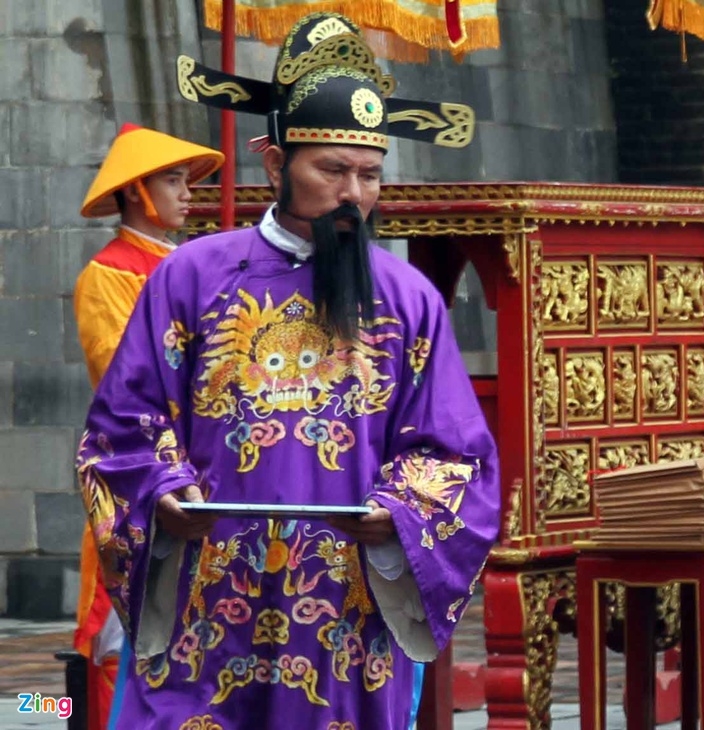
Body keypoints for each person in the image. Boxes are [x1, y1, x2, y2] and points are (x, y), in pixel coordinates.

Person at [75, 17, 498, 729]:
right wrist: (162, 492)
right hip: (207, 606)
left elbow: (454, 454)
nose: (353, 195)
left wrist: (399, 513)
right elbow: (124, 425)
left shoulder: (408, 300)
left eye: (369, 174)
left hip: (345, 610)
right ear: (275, 166)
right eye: (331, 170)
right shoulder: (193, 278)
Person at [73, 122, 223, 730]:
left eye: (187, 181)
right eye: (171, 180)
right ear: (137, 191)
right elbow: (126, 384)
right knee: (116, 634)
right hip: (139, 474)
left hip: (213, 471)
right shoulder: (107, 276)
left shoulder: (200, 263)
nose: (187, 193)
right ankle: (60, 713)